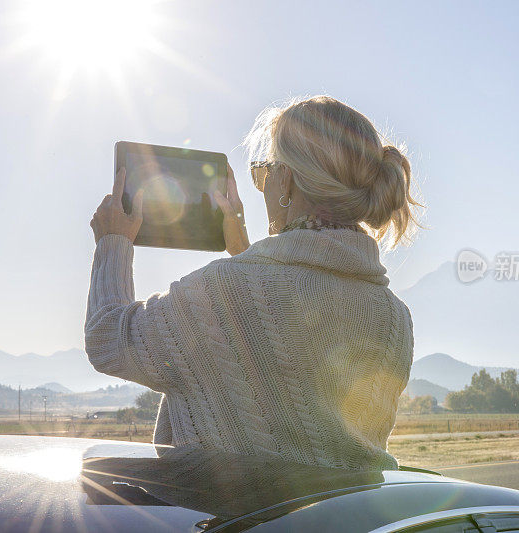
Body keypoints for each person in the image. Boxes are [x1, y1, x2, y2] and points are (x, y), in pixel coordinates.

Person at [86, 95, 423, 470]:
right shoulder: (395, 318)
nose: (261, 186)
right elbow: (300, 407)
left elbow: (107, 339)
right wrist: (244, 252)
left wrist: (113, 241)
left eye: (265, 172)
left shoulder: (224, 293)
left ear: (288, 182)